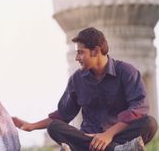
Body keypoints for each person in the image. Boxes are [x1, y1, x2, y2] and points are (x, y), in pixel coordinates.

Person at [12, 27, 158, 151]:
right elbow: (62, 115)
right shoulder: (77, 79)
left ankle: (110, 147)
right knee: (54, 127)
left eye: (80, 52)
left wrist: (108, 135)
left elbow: (139, 108)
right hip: (88, 138)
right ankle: (118, 149)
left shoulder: (127, 72)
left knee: (149, 123)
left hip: (117, 134)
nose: (77, 58)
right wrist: (31, 126)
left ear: (95, 51)